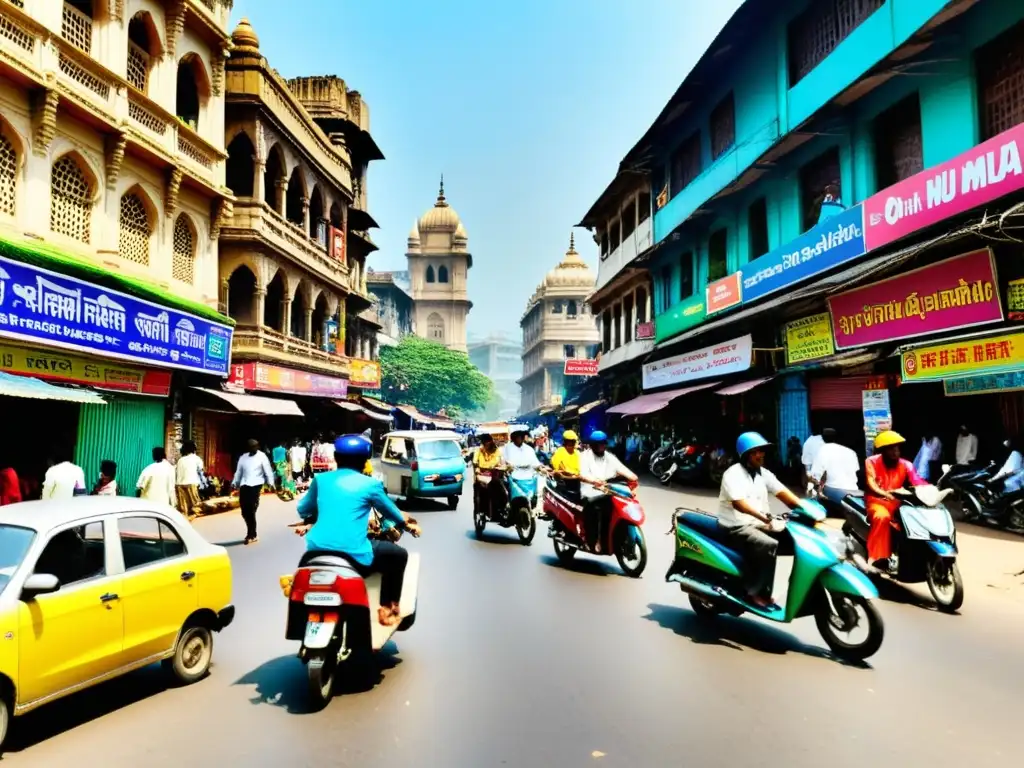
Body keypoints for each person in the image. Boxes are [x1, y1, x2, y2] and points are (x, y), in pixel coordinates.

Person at [295, 435, 422, 626]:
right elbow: (391, 512)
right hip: (354, 554)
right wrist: (407, 525)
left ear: (336, 457)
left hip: (316, 550)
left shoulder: (320, 480)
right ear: (365, 461)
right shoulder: (371, 485)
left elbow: (303, 509)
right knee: (399, 554)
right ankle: (388, 607)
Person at [718, 432, 805, 608]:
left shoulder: (763, 474)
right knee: (768, 545)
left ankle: (777, 586)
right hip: (736, 526)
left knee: (796, 541)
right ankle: (753, 592)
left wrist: (807, 509)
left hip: (759, 523)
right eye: (756, 451)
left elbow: (784, 494)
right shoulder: (732, 474)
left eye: (762, 451)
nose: (761, 455)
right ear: (745, 455)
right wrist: (764, 518)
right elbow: (740, 505)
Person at [864, 430, 927, 572]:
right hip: (877, 501)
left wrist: (930, 489)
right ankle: (877, 558)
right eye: (891, 449)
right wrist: (884, 493)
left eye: (897, 448)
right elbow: (871, 483)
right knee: (882, 517)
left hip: (898, 502)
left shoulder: (906, 464)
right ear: (883, 451)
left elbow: (917, 480)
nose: (895, 452)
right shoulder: (871, 462)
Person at [578, 431, 638, 553]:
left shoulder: (609, 457)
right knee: (600, 509)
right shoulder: (585, 456)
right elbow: (582, 474)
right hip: (589, 491)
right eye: (597, 444)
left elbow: (622, 469)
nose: (600, 447)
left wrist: (633, 478)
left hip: (607, 490)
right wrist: (594, 481)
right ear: (591, 445)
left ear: (605, 444)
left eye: (602, 444)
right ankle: (593, 541)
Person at [232, 439, 275, 545]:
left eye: (255, 446)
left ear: (258, 446)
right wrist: (234, 482)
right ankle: (251, 531)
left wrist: (271, 482)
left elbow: (268, 470)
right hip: (244, 484)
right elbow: (238, 472)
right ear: (248, 448)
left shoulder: (262, 456)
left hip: (256, 485)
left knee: (251, 509)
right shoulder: (243, 458)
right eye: (251, 447)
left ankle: (252, 534)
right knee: (244, 511)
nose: (253, 448)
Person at [810, 428, 860, 502]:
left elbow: (816, 474)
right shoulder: (851, 452)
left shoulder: (823, 450)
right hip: (854, 489)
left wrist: (816, 485)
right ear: (835, 437)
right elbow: (856, 470)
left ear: (823, 438)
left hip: (833, 489)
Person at [472, 433, 505, 513]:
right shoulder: (479, 450)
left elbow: (499, 461)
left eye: (487, 442)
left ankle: (501, 507)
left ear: (490, 442)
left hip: (493, 474)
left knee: (502, 489)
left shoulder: (496, 450)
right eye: (484, 442)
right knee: (478, 489)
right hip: (481, 474)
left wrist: (500, 466)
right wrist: (477, 468)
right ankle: (479, 510)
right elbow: (475, 461)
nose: (485, 444)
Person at [175, 441, 204, 519]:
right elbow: (200, 472)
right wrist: (204, 484)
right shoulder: (197, 459)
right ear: (194, 449)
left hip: (179, 485)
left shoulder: (180, 460)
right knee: (195, 506)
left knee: (183, 508)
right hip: (192, 483)